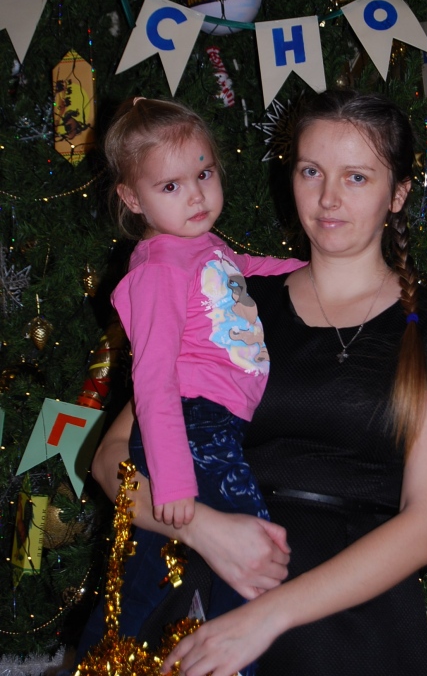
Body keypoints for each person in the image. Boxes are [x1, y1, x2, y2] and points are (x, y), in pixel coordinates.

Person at [91, 89, 427, 676]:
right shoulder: (233, 300)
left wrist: (264, 618)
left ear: (398, 193)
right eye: (311, 171)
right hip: (208, 607)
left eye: (356, 177)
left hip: (350, 630)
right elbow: (111, 461)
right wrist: (205, 529)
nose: (328, 198)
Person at [93, 97, 303, 664]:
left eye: (204, 174)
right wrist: (173, 479)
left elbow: (250, 270)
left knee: (147, 576)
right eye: (171, 186)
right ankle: (243, 660)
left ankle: (108, 657)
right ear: (132, 199)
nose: (196, 196)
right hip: (195, 424)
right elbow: (153, 379)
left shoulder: (205, 247)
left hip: (215, 424)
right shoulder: (158, 267)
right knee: (255, 557)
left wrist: (313, 270)